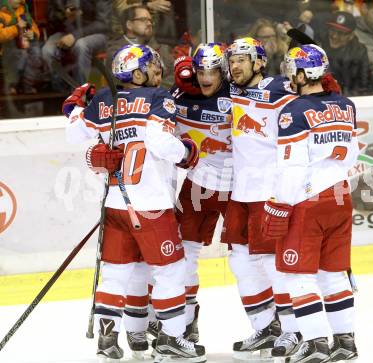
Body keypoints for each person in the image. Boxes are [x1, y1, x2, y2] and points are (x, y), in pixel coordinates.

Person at [62, 44, 205, 362]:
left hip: (114, 204)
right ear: (138, 73)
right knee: (171, 272)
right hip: (152, 205)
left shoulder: (101, 101)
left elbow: (74, 135)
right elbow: (158, 141)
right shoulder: (158, 97)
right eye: (153, 66)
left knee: (116, 273)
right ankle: (171, 338)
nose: (159, 70)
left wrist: (72, 106)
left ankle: (108, 340)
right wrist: (186, 152)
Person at [262, 44, 360, 362]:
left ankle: (316, 343)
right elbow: (354, 154)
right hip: (341, 196)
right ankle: (345, 342)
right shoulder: (346, 105)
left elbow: (291, 166)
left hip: (307, 201)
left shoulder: (295, 110)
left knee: (298, 276)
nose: (291, 76)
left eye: (294, 71)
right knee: (332, 273)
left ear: (305, 74)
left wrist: (279, 205)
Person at [223, 37, 301, 360]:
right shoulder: (231, 93)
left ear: (258, 62)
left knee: (273, 264)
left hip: (268, 192)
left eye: (242, 59)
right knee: (240, 262)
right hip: (240, 192)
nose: (235, 66)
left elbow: (313, 101)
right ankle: (265, 326)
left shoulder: (281, 89)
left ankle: (293, 328)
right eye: (232, 60)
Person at [172, 42, 233, 343]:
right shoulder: (179, 96)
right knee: (183, 255)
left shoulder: (240, 95)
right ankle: (184, 321)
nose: (205, 76)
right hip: (197, 184)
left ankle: (273, 324)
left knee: (250, 259)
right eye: (200, 70)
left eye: (212, 70)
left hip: (240, 188)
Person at [42, 0, 110, 90]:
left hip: (96, 33)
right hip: (66, 32)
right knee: (47, 50)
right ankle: (62, 90)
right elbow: (50, 17)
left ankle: (80, 93)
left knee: (81, 45)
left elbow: (103, 24)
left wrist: (75, 35)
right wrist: (64, 16)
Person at [107, 4, 174, 88]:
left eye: (150, 20)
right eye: (143, 20)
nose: (149, 23)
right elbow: (129, 83)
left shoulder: (163, 49)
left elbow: (174, 78)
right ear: (129, 25)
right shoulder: (117, 52)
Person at [0, 0, 44, 94]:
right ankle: (10, 85)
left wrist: (32, 34)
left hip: (22, 43)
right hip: (5, 47)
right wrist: (16, 28)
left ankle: (28, 84)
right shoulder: (1, 13)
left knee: (35, 51)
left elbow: (32, 27)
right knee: (19, 53)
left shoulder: (23, 10)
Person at [322, 11, 369, 96]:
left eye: (340, 33)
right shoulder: (318, 47)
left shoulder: (359, 51)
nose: (334, 36)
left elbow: (363, 86)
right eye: (332, 30)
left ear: (351, 36)